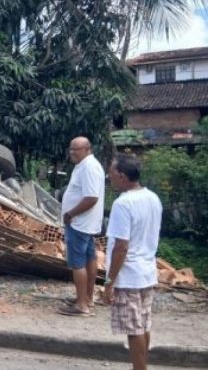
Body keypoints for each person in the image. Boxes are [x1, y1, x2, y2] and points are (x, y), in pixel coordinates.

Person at [103, 154, 162, 370]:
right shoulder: (152, 198)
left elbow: (121, 247)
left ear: (121, 176)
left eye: (111, 174)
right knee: (143, 324)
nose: (109, 177)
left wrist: (110, 282)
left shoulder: (123, 204)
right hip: (146, 271)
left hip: (128, 276)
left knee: (133, 329)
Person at [58, 137, 105, 317]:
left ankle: (81, 305)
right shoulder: (86, 165)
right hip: (85, 223)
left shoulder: (89, 167)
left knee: (78, 264)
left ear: (87, 149)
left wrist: (71, 214)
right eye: (71, 149)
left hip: (79, 223)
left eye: (76, 149)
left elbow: (91, 198)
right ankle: (87, 298)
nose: (72, 153)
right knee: (89, 258)